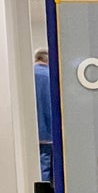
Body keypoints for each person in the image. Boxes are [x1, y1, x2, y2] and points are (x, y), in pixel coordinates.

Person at [34, 49, 53, 182]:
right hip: (47, 131)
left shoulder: (24, 75)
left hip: (29, 132)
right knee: (44, 166)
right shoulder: (51, 77)